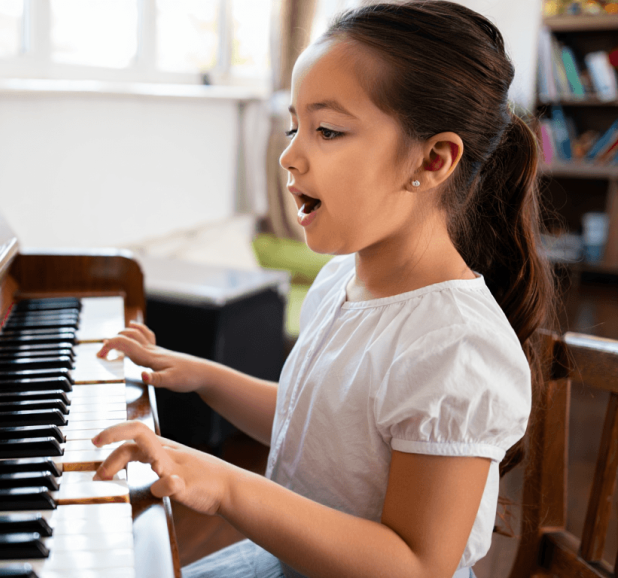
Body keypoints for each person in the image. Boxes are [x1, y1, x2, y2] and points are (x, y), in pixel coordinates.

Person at [91, 2, 556, 577]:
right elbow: (320, 426)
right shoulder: (342, 278)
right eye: (295, 126)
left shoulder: (456, 346)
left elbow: (416, 564)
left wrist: (224, 485)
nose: (290, 154)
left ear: (433, 159)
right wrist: (202, 375)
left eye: (327, 130)